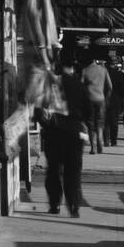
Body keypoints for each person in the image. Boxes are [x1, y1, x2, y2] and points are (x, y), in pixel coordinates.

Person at [41, 55, 87, 217]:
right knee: (73, 171)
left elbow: (40, 109)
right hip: (74, 133)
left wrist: (46, 126)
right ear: (72, 69)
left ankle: (54, 204)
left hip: (54, 133)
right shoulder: (79, 85)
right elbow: (88, 110)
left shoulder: (51, 85)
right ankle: (73, 204)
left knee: (53, 170)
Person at [80, 53, 112, 155]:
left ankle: (93, 148)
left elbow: (80, 87)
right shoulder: (103, 69)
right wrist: (106, 98)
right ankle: (100, 146)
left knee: (91, 124)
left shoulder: (85, 71)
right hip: (100, 99)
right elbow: (110, 86)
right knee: (100, 123)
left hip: (89, 100)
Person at [106, 61, 124, 146]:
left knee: (105, 121)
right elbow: (122, 89)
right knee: (114, 121)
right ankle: (113, 140)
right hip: (115, 99)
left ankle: (106, 140)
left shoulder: (104, 73)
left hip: (105, 98)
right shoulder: (118, 74)